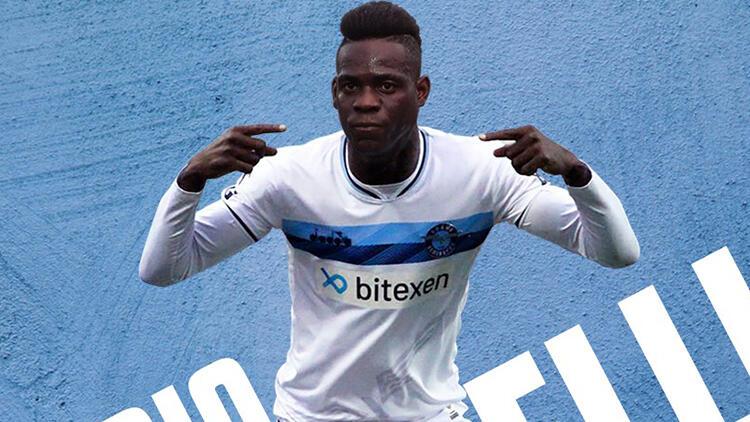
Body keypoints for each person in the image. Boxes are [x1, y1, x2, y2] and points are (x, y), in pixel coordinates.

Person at [139, 1, 640, 420]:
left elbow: (616, 252)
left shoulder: (481, 171)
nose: (365, 102)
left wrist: (577, 173)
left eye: (386, 86)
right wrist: (190, 181)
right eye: (350, 86)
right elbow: (163, 269)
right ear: (334, 94)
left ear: (420, 92)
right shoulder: (288, 176)